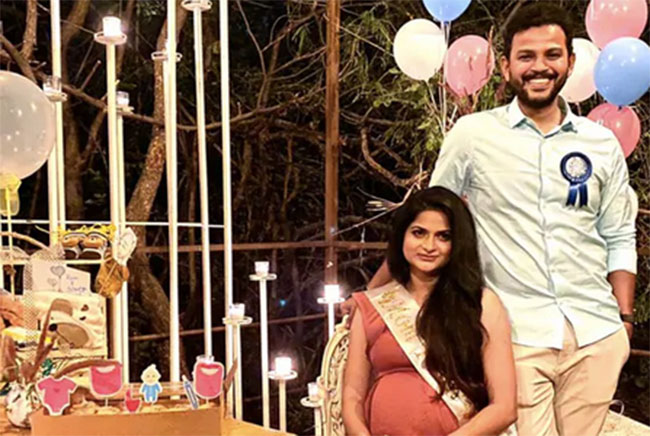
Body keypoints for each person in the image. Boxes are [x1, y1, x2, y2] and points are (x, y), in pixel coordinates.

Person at [357, 4, 637, 435]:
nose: (539, 66)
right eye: (526, 56)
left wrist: (624, 321)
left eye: (552, 54)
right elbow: (432, 215)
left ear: (570, 62)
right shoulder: (473, 135)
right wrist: (376, 294)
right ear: (506, 67)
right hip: (515, 335)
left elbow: (618, 234)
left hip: (596, 333)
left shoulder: (600, 143)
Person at [342, 187, 517, 436]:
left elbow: (504, 407)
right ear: (402, 236)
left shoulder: (482, 304)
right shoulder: (371, 306)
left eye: (443, 236)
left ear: (458, 243)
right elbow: (352, 396)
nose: (429, 246)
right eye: (419, 233)